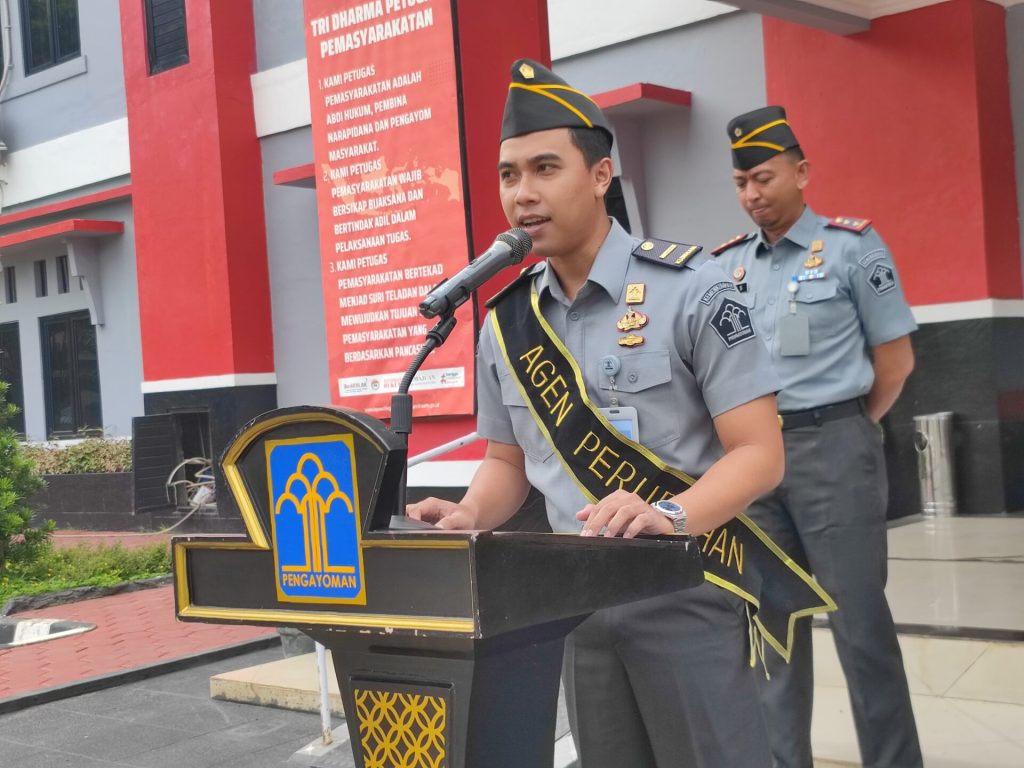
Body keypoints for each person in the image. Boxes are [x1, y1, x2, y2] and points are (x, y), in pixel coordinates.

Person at [408, 59, 785, 767]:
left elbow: (759, 453)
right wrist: (468, 515)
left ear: (602, 176)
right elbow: (505, 463)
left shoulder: (693, 289)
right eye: (508, 174)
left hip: (685, 592)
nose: (522, 194)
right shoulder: (508, 322)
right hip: (571, 610)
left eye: (545, 168)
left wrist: (669, 515)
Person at [713, 105, 922, 768]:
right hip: (755, 461)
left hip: (834, 447)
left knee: (860, 627)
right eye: (742, 182)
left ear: (802, 173)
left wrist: (850, 427)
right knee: (770, 626)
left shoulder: (854, 248)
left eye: (765, 177)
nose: (753, 194)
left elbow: (896, 361)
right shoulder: (728, 266)